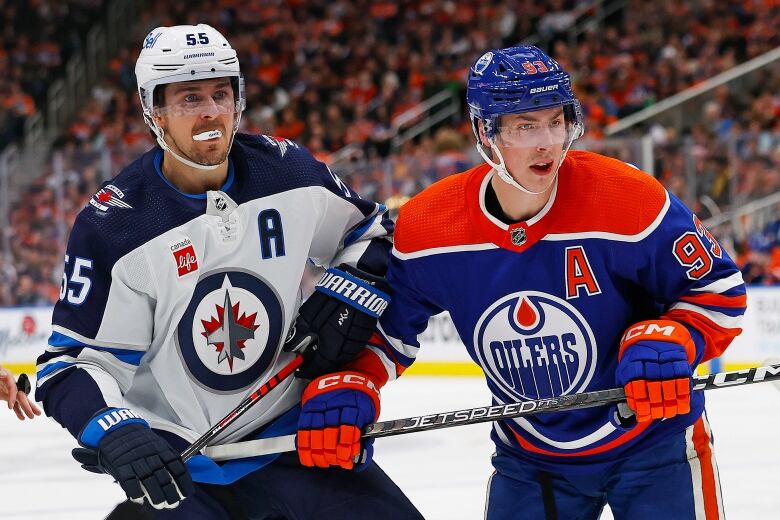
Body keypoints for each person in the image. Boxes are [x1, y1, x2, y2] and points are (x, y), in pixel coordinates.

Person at [35, 24, 422, 519]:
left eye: (221, 93)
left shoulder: (289, 173)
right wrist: (118, 431)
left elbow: (374, 236)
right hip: (180, 464)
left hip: (292, 439)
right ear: (155, 111)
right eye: (189, 97)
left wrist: (350, 287)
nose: (211, 111)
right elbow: (70, 364)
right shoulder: (117, 226)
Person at [373, 46, 746, 519]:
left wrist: (676, 337)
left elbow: (719, 290)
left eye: (556, 121)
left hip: (655, 442)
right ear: (484, 133)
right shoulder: (430, 226)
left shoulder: (628, 198)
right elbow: (387, 331)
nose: (547, 142)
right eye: (525, 126)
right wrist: (355, 382)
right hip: (531, 459)